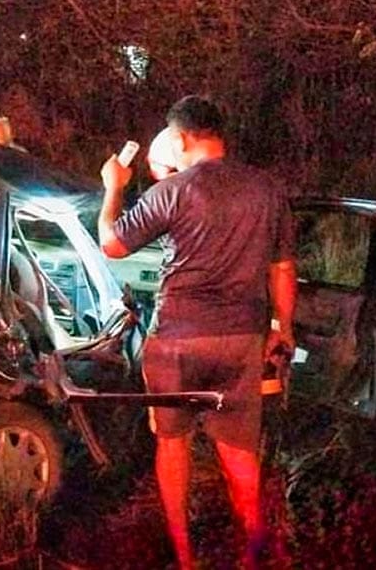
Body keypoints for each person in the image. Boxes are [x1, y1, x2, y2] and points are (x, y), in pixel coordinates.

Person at [97, 95, 297, 569]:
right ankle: (253, 554)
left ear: (181, 138)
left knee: (173, 445)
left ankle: (186, 559)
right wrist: (282, 328)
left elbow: (112, 245)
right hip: (240, 339)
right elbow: (283, 268)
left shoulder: (171, 192)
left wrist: (113, 188)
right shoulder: (267, 190)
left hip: (176, 340)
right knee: (239, 453)